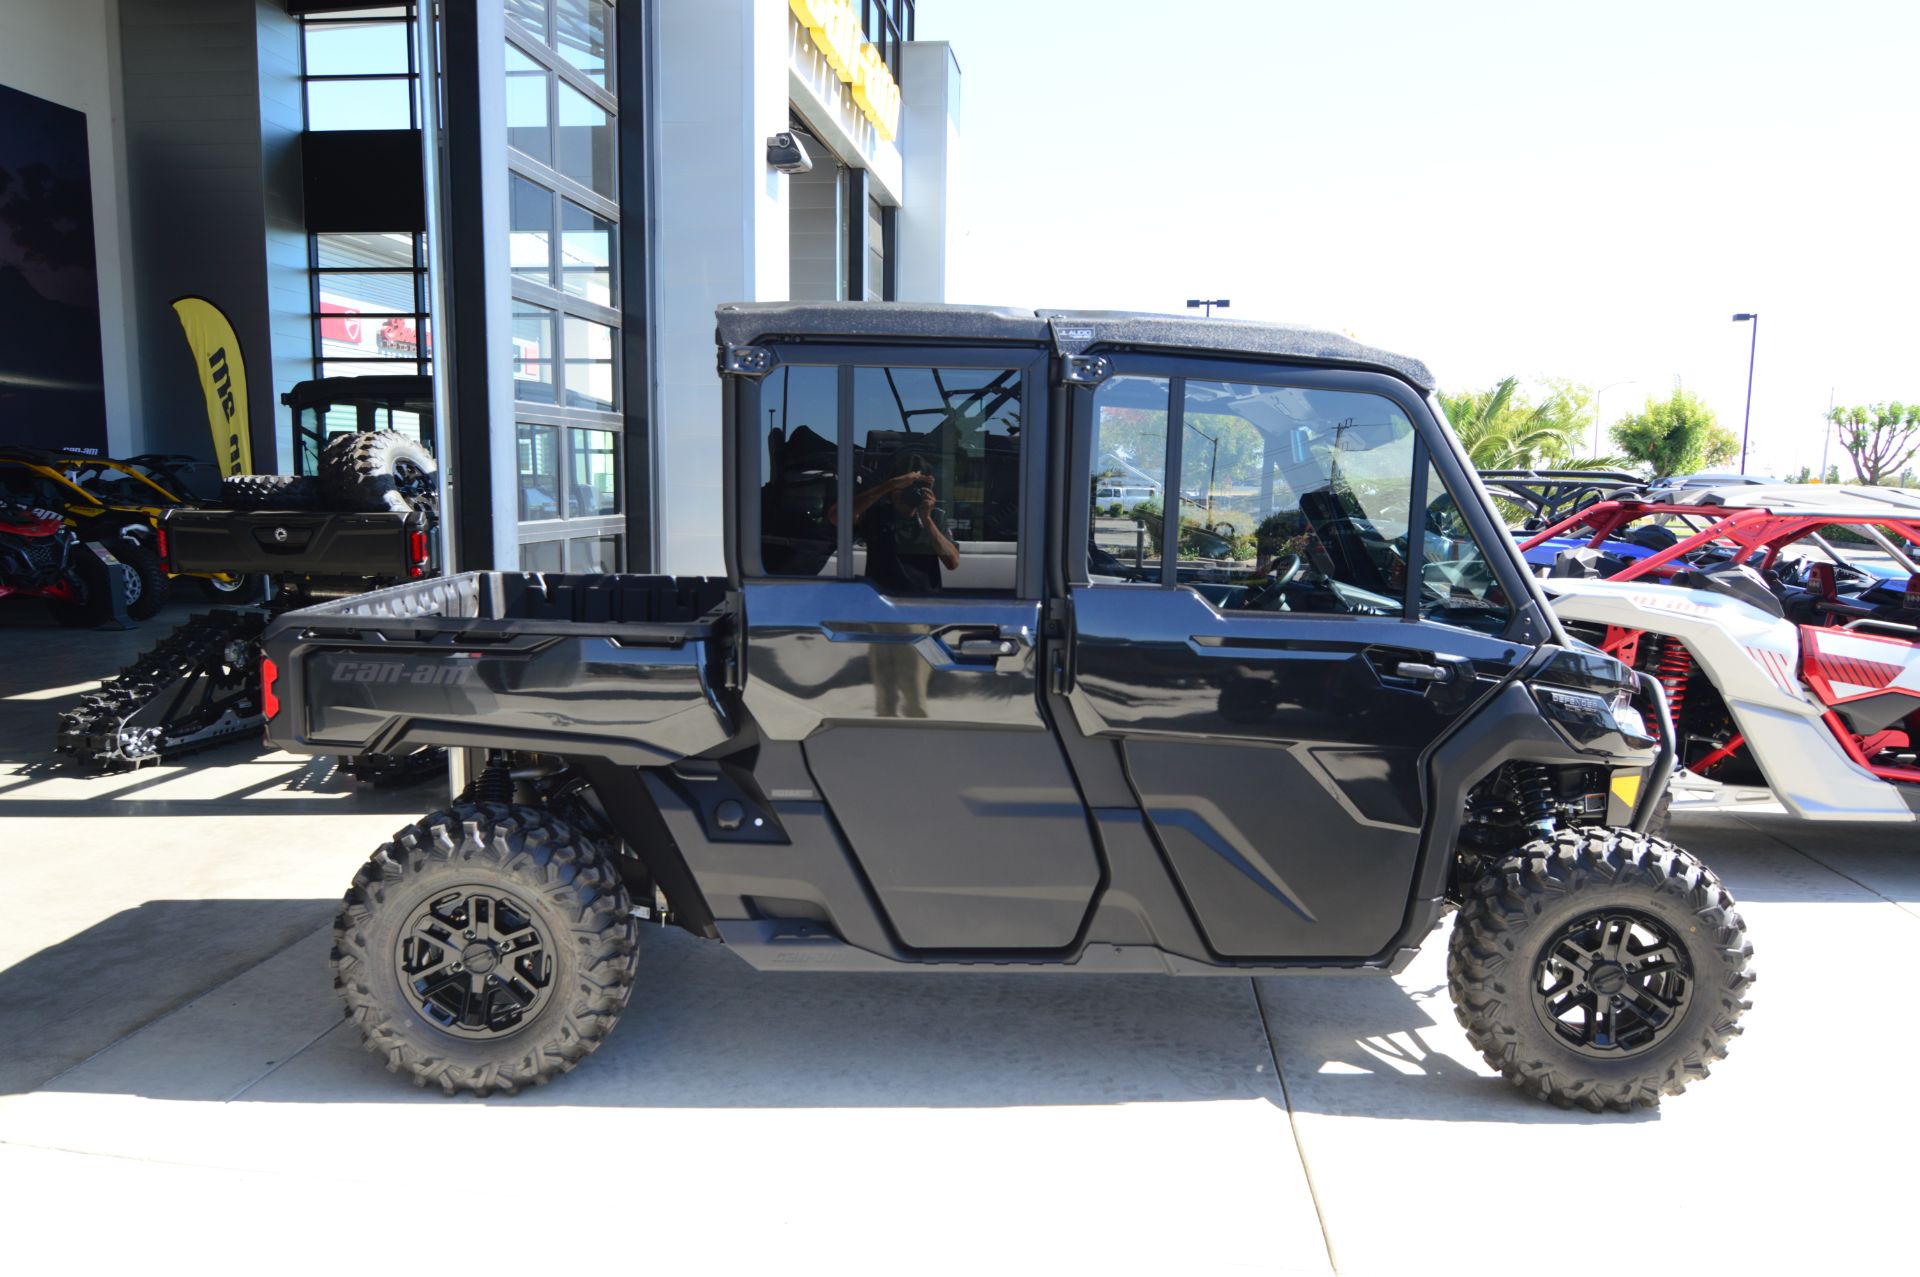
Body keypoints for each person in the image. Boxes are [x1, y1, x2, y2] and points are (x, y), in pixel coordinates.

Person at [833, 451, 961, 594]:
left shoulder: (935, 517)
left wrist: (927, 520)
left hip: (925, 605)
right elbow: (836, 516)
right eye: (904, 487)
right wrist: (887, 486)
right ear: (893, 491)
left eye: (916, 487)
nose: (910, 492)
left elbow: (952, 563)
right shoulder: (877, 514)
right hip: (882, 602)